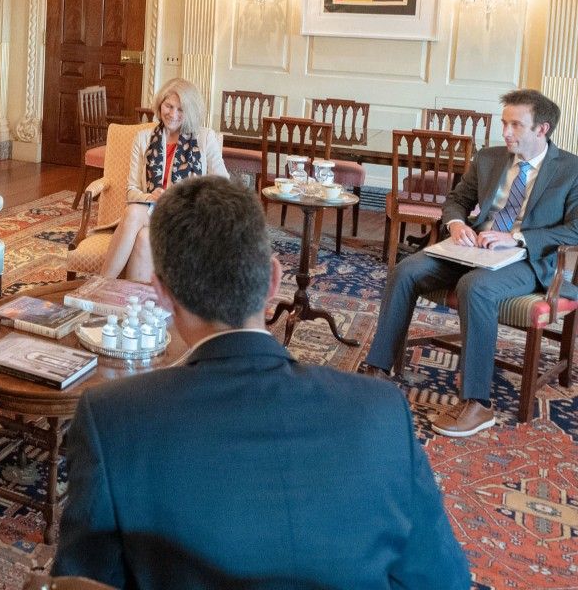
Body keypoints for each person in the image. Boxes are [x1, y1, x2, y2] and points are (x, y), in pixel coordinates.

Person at [54, 176, 469, 588]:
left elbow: (83, 582)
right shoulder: (382, 411)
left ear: (161, 293)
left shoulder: (111, 419)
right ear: (274, 281)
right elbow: (444, 580)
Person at [360, 89, 578, 437]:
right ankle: (377, 371)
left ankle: (477, 403)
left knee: (473, 287)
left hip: (528, 258)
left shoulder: (571, 170)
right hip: (474, 246)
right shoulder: (489, 158)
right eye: (504, 123)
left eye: (516, 125)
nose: (506, 132)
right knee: (405, 270)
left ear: (542, 129)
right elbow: (457, 199)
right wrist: (457, 223)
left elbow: (575, 228)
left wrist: (517, 238)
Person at [98, 77, 229, 282]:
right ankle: (118, 297)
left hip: (187, 215)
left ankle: (100, 288)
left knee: (142, 237)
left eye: (180, 109)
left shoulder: (205, 138)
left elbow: (223, 186)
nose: (173, 114)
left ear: (190, 112)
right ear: (160, 105)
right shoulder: (143, 138)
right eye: (169, 106)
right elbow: (131, 190)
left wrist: (186, 195)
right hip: (151, 209)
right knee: (134, 214)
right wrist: (151, 195)